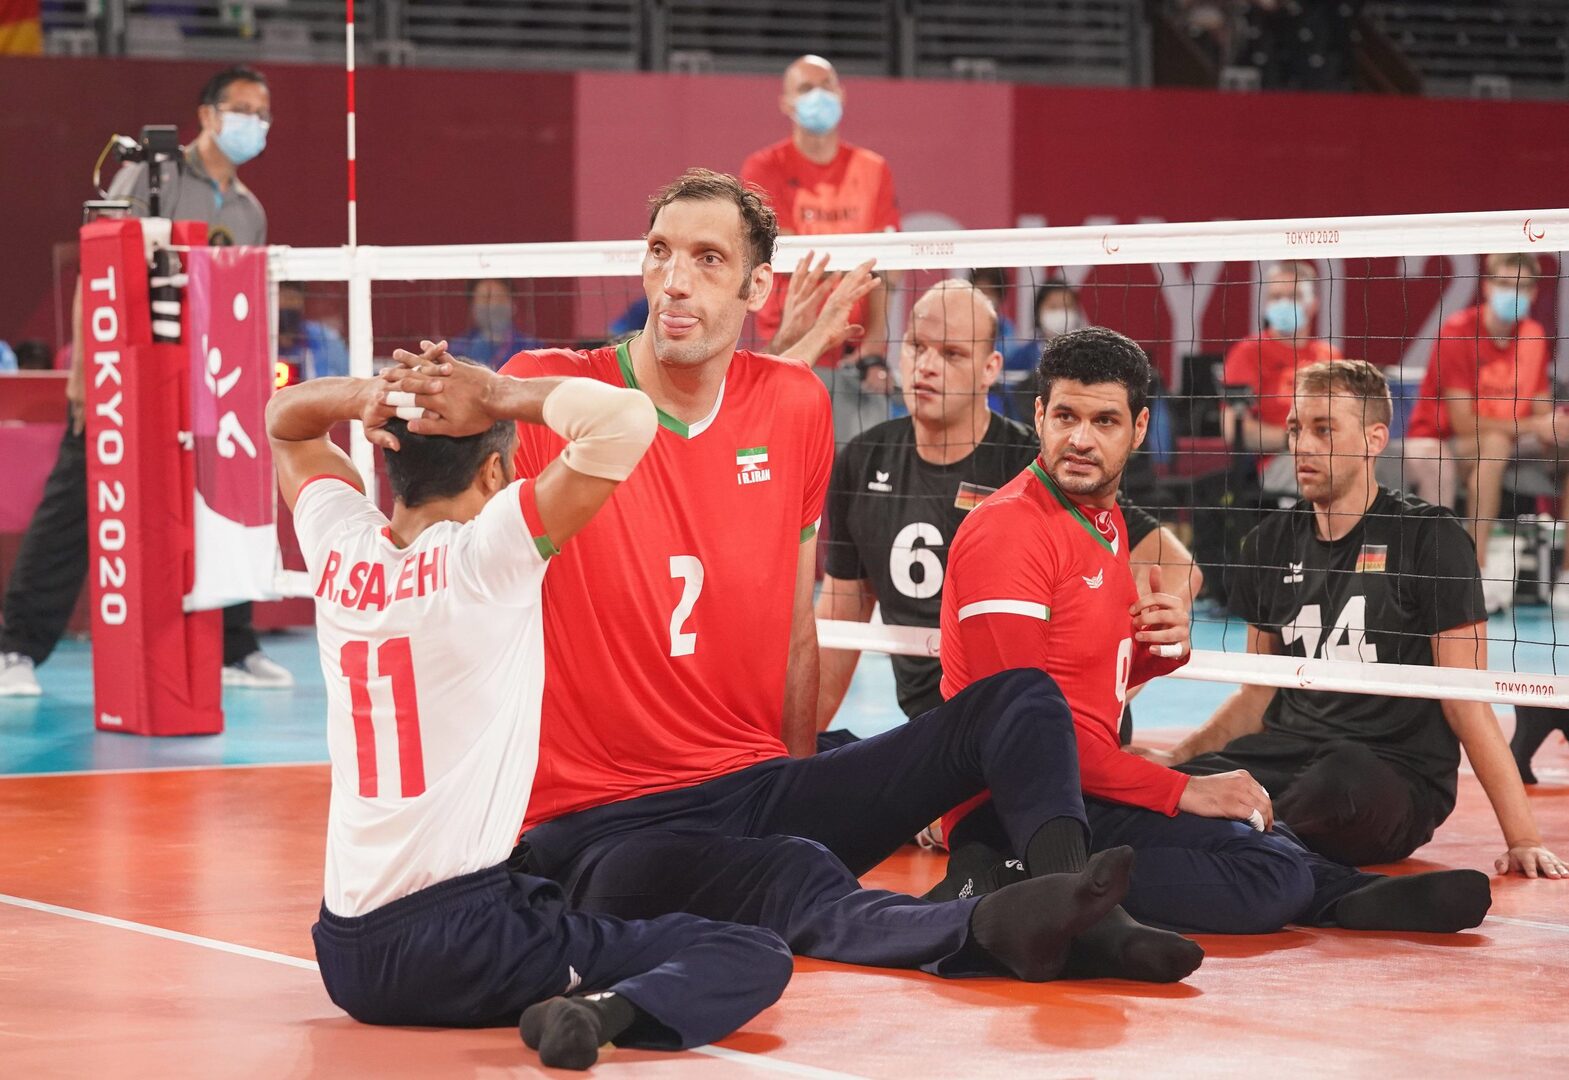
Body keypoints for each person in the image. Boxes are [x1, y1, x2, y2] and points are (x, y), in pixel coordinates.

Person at [466, 167, 1199, 986]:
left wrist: (801, 782)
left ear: (756, 287)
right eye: (659, 252)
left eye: (707, 259)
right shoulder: (548, 390)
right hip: (607, 827)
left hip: (753, 786)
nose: (674, 279)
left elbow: (796, 626)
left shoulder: (793, 404)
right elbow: (450, 561)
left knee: (1020, 699)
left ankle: (1077, 906)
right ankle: (980, 926)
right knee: (790, 876)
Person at [269, 352, 795, 1070]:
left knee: (544, 886)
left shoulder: (340, 549)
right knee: (750, 949)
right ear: (492, 475)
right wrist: (495, 394)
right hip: (459, 943)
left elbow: (286, 422)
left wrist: (371, 392)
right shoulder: (485, 557)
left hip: (345, 950)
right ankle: (598, 1015)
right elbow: (626, 419)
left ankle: (571, 985)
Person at [934, 331, 1499, 933]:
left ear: (1139, 428)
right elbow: (1024, 741)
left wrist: (1158, 652)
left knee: (1254, 829)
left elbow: (1084, 680)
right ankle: (1017, 882)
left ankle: (1345, 891)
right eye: (1066, 417)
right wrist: (1178, 788)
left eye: (1104, 421)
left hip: (1077, 783)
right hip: (1027, 806)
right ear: (1039, 415)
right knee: (1262, 865)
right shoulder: (1011, 530)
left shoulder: (1103, 522)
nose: (1080, 439)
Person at [1155, 360, 1564, 879]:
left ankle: (1235, 842)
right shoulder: (1267, 543)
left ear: (1374, 439)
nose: (1303, 445)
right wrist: (1178, 764)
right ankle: (1253, 845)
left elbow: (1467, 701)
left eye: (1324, 430)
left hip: (1391, 770)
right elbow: (1256, 694)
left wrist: (1524, 838)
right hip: (1288, 752)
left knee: (1338, 787)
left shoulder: (1429, 539)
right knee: (1187, 789)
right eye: (1296, 429)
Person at [0, 65, 286, 697]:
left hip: (212, 381)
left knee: (223, 504)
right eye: (243, 110)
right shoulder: (150, 175)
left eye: (263, 114)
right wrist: (85, 372)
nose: (255, 124)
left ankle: (234, 647)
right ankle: (16, 647)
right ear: (207, 114)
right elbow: (97, 266)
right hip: (128, 371)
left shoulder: (249, 210)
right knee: (77, 500)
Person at [816, 280, 1201, 735]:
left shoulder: (1036, 464)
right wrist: (790, 751)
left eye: (952, 353)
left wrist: (1110, 688)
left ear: (990, 368)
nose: (927, 365)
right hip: (936, 727)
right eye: (917, 346)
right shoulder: (864, 458)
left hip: (1041, 725)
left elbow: (1177, 565)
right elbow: (840, 621)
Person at [741, 55, 900, 436]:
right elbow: (789, 254)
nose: (818, 96)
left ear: (841, 94)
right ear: (786, 103)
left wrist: (874, 347)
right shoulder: (763, 168)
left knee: (860, 469)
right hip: (788, 348)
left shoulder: (873, 169)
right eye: (805, 88)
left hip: (855, 360)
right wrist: (858, 259)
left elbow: (887, 267)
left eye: (826, 86)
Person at [1401, 253, 1552, 613]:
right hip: (1446, 439)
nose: (1513, 292)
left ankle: (1564, 575)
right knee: (1494, 445)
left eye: (1522, 286)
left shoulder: (1534, 335)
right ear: (1487, 286)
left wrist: (1554, 425)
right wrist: (1535, 426)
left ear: (1534, 292)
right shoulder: (1457, 332)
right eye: (1505, 283)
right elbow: (1464, 422)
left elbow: (1542, 409)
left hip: (1512, 439)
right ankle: (1475, 567)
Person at [1220, 260, 1340, 496]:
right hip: (1280, 460)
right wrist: (1296, 439)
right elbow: (1233, 429)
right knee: (1332, 475)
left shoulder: (1330, 356)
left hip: (1333, 453)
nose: (1284, 303)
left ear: (1313, 304)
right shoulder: (1248, 352)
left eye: (1293, 296)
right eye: (1276, 297)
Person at [1000, 281, 1084, 422]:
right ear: (1039, 312)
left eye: (1067, 306)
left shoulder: (1088, 357)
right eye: (1053, 307)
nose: (1061, 313)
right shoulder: (1020, 358)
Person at [447, 278, 544, 371]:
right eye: (485, 298)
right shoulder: (458, 347)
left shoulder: (532, 347)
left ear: (513, 304)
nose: (493, 304)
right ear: (472, 306)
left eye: (500, 298)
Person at [276, 281, 349, 383]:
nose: (286, 304)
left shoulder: (326, 339)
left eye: (291, 299)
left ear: (302, 302)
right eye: (281, 298)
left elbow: (347, 379)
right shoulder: (257, 342)